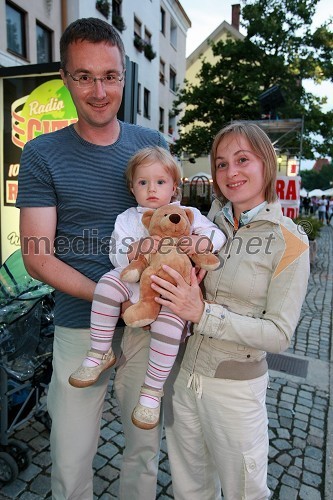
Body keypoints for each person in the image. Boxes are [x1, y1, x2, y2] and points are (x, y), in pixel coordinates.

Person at [16, 17, 170, 500]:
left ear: (124, 76)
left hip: (148, 330)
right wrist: (114, 297)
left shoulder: (152, 146)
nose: (99, 90)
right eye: (84, 76)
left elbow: (172, 230)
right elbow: (38, 256)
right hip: (80, 327)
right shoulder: (42, 153)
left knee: (144, 453)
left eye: (110, 76)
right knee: (69, 456)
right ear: (66, 79)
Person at [150, 121, 310, 499]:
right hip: (184, 377)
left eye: (242, 159)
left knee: (244, 493)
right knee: (190, 488)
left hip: (235, 392)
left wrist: (203, 314)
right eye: (221, 163)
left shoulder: (290, 241)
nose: (230, 172)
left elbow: (279, 334)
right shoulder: (204, 223)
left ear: (266, 165)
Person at [68, 146, 226, 430]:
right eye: (143, 182)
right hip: (136, 287)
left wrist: (201, 243)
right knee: (106, 283)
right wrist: (135, 249)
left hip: (170, 293)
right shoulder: (128, 218)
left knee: (170, 325)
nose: (151, 189)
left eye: (160, 182)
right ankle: (100, 351)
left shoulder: (186, 213)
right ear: (132, 187)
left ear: (174, 187)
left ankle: (152, 391)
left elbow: (216, 234)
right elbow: (115, 254)